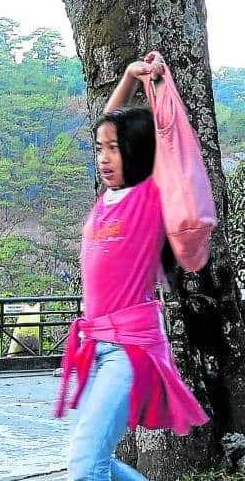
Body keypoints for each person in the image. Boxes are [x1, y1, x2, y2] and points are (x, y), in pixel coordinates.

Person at [55, 51, 209, 480]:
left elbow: (172, 141)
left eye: (115, 149)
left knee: (86, 466)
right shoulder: (108, 199)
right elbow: (108, 121)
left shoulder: (149, 197)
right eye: (100, 149)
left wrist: (159, 85)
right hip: (98, 348)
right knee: (98, 461)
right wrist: (126, 77)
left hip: (129, 350)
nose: (104, 157)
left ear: (137, 152)